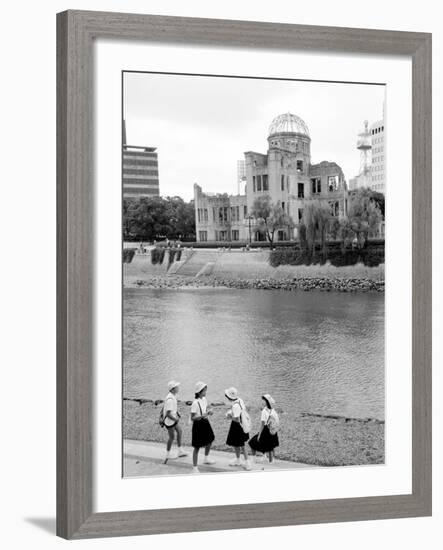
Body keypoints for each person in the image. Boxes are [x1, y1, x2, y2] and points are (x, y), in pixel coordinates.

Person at [190, 381, 216, 473]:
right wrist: (203, 415)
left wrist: (209, 412)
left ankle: (206, 458)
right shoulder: (195, 403)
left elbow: (205, 410)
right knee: (197, 447)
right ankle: (195, 467)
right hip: (198, 424)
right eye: (205, 390)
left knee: (210, 439)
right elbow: (192, 418)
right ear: (200, 391)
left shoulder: (204, 400)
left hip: (205, 422)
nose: (206, 392)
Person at [224, 387, 252, 470]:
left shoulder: (235, 405)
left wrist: (229, 417)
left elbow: (236, 419)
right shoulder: (240, 400)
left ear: (229, 397)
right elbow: (242, 411)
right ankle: (238, 459)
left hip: (237, 426)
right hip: (243, 424)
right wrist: (232, 413)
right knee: (237, 444)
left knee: (241, 445)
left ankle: (246, 462)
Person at [248, 394, 280, 465]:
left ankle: (254, 459)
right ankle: (271, 460)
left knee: (252, 443)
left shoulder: (264, 411)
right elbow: (277, 421)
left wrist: (259, 435)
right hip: (273, 430)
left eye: (264, 401)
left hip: (266, 430)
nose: (262, 402)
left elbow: (262, 424)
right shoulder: (273, 410)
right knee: (271, 446)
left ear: (266, 402)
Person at [162, 380, 188, 463]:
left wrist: (177, 413)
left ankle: (180, 450)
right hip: (170, 421)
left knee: (180, 431)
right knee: (171, 437)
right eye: (177, 387)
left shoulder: (173, 396)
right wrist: (176, 419)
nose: (178, 388)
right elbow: (168, 413)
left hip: (173, 419)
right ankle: (167, 454)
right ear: (173, 389)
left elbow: (172, 409)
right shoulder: (170, 399)